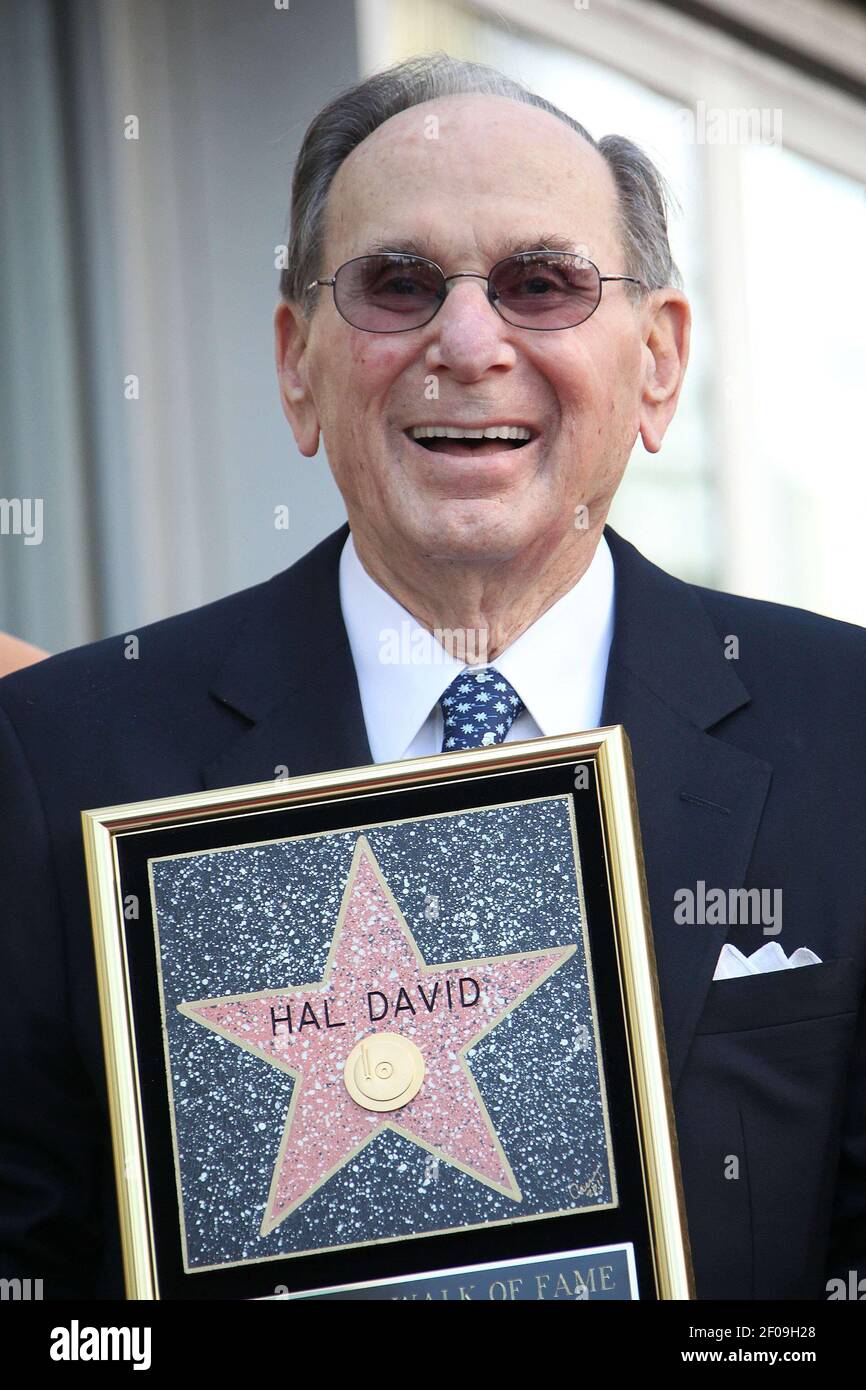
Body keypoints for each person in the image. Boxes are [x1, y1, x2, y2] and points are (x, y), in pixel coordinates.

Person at [0, 54, 863, 1301]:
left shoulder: (844, 732)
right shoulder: (57, 756)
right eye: (397, 285)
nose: (467, 342)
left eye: (540, 283)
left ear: (658, 362)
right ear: (297, 363)